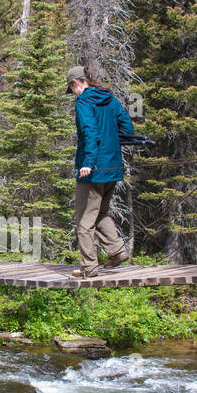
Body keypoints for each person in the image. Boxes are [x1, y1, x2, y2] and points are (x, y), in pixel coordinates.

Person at [66, 64, 134, 278]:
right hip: (113, 167)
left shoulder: (84, 102)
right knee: (101, 212)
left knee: (83, 220)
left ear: (76, 83)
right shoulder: (110, 99)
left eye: (71, 88)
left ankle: (89, 266)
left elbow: (89, 131)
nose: (73, 93)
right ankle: (117, 251)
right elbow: (127, 129)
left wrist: (89, 162)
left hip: (92, 170)